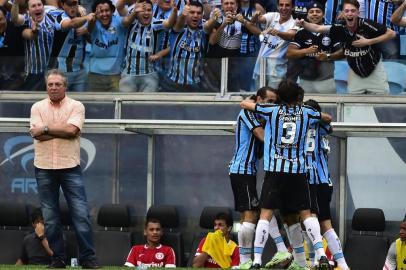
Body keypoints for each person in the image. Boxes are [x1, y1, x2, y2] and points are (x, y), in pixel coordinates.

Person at [240, 80, 333, 270]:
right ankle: (321, 255)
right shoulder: (307, 113)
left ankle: (257, 260)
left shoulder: (271, 111)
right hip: (298, 172)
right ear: (298, 97)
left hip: (275, 172)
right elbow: (328, 118)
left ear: (280, 97)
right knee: (306, 214)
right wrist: (319, 115)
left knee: (265, 214)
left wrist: (259, 102)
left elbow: (244, 104)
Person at [29, 69, 99, 269]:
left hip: (69, 166)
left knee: (81, 215)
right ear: (46, 86)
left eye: (57, 84)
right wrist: (56, 130)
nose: (53, 87)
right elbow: (37, 135)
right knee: (50, 219)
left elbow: (72, 131)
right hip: (43, 167)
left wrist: (46, 128)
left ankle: (88, 259)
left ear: (65, 86)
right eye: (50, 84)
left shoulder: (76, 106)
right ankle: (58, 259)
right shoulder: (37, 107)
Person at [297, 0, 396, 94]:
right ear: (343, 13)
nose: (350, 14)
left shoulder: (366, 24)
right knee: (353, 105)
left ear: (358, 13)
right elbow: (318, 28)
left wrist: (368, 41)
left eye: (353, 11)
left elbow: (391, 33)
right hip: (355, 72)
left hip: (374, 70)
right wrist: (304, 23)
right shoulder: (340, 27)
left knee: (381, 103)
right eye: (347, 11)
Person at [228, 87, 279, 269]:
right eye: (269, 101)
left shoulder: (263, 117)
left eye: (275, 102)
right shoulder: (248, 113)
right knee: (251, 214)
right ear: (258, 99)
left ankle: (245, 260)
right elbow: (262, 136)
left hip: (248, 171)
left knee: (250, 213)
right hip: (241, 170)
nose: (272, 105)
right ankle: (244, 261)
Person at [303, 99, 350, 270]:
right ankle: (342, 263)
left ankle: (317, 258)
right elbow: (329, 125)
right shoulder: (322, 128)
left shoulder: (305, 126)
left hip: (310, 179)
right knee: (325, 223)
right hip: (325, 181)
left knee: (309, 218)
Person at [117, 0, 176, 92]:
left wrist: (174, 11)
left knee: (147, 104)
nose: (146, 13)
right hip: (129, 74)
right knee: (126, 104)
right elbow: (125, 22)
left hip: (149, 74)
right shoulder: (132, 22)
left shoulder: (155, 24)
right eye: (143, 10)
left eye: (149, 10)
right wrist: (134, 12)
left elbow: (169, 24)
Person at [286, 1, 342, 94]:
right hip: (305, 81)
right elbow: (289, 53)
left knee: (329, 108)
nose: (314, 14)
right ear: (307, 15)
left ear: (323, 14)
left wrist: (328, 56)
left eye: (318, 11)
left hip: (326, 81)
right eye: (311, 12)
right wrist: (305, 51)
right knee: (305, 108)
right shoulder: (301, 32)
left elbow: (342, 52)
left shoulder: (331, 31)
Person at [11, 0, 58, 91]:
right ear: (28, 10)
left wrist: (78, 8)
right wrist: (16, 2)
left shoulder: (52, 17)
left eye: (39, 5)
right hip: (33, 72)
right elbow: (15, 18)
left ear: (43, 6)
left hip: (52, 71)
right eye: (33, 6)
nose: (37, 8)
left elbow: (67, 13)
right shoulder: (27, 19)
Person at [49, 0, 95, 91]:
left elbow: (91, 40)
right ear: (62, 5)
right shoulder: (60, 17)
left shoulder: (81, 18)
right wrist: (86, 18)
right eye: (69, 4)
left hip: (79, 70)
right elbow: (71, 23)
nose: (72, 7)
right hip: (60, 71)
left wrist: (86, 31)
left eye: (75, 4)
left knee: (80, 103)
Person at [251, 0, 297, 89]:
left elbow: (290, 35)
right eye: (281, 5)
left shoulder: (294, 23)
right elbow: (258, 20)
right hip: (260, 65)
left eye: (287, 5)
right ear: (277, 6)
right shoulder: (272, 15)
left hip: (277, 71)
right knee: (259, 96)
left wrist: (278, 32)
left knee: (272, 98)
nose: (283, 8)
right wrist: (256, 15)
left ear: (293, 7)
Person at [163, 1, 208, 92]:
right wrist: (182, 15)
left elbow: (210, 25)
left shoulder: (203, 31)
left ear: (202, 15)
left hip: (195, 84)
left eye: (198, 13)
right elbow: (179, 24)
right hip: (173, 83)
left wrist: (216, 18)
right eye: (192, 12)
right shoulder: (178, 29)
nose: (195, 15)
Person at [87, 0, 128, 91]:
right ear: (95, 14)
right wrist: (93, 18)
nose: (104, 14)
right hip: (95, 74)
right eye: (100, 11)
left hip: (116, 75)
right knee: (95, 104)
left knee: (116, 103)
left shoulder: (118, 21)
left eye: (107, 10)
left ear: (112, 11)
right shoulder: (93, 23)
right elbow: (89, 28)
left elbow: (127, 21)